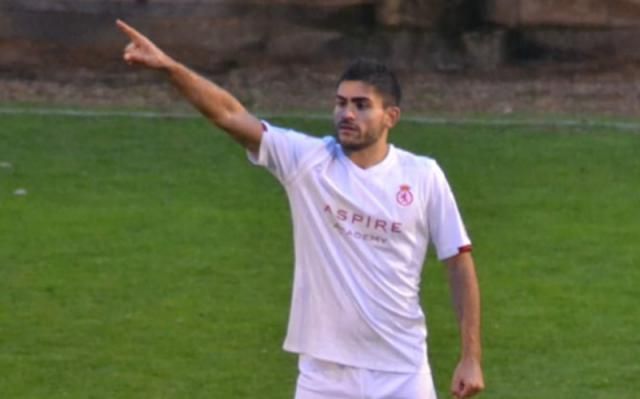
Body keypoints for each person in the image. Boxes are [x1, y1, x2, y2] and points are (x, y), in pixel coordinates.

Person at [116, 19, 484, 399]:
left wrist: (470, 355)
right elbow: (228, 114)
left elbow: (458, 263)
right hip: (324, 376)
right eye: (341, 103)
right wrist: (169, 68)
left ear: (391, 117)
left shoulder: (423, 176)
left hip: (402, 371)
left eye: (361, 106)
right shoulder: (307, 161)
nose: (347, 115)